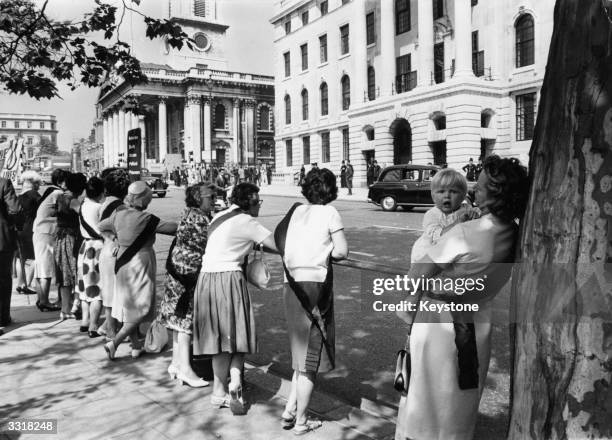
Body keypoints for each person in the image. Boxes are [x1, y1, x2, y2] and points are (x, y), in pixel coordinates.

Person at [395, 155, 529, 440]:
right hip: (478, 321)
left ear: (494, 194)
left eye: (479, 186)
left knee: (427, 404)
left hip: (439, 323)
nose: (473, 190)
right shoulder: (514, 232)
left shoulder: (468, 232)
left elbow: (416, 274)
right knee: (459, 406)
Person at [274, 168, 349, 435]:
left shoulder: (295, 211)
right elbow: (342, 250)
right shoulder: (330, 213)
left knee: (301, 353)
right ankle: (301, 421)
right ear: (331, 190)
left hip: (290, 282)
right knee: (310, 361)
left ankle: (290, 409)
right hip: (315, 286)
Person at [193, 183, 277, 414]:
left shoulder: (220, 215)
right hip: (228, 278)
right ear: (250, 202)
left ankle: (218, 392)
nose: (259, 205)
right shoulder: (247, 221)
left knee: (219, 339)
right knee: (238, 333)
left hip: (206, 279)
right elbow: (277, 245)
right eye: (257, 201)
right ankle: (236, 380)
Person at [99, 181, 177, 360]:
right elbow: (172, 228)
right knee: (141, 307)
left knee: (129, 306)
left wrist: (115, 239)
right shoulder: (146, 219)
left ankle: (136, 346)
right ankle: (115, 343)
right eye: (148, 199)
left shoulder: (118, 214)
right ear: (142, 199)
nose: (149, 203)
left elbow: (102, 226)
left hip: (122, 262)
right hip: (141, 262)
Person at [159, 183, 216, 387]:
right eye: (210, 197)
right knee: (186, 322)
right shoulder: (200, 219)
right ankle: (185, 369)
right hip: (189, 275)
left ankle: (176, 363)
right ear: (198, 198)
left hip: (178, 271)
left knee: (177, 318)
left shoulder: (189, 213)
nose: (214, 199)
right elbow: (212, 243)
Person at [410, 169, 478, 262]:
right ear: (433, 196)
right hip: (430, 255)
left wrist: (475, 213)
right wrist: (458, 223)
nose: (447, 195)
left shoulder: (466, 209)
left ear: (463, 196)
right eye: (441, 191)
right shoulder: (432, 215)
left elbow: (478, 222)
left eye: (453, 192)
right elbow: (437, 237)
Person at [98, 168, 130, 341]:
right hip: (113, 252)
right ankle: (111, 331)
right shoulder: (119, 206)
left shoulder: (106, 202)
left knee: (109, 291)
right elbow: (105, 225)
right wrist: (115, 238)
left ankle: (108, 327)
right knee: (113, 293)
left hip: (106, 250)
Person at [33, 168, 69, 311]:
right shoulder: (58, 193)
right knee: (45, 268)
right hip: (46, 233)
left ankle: (41, 299)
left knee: (40, 267)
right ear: (61, 181)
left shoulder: (49, 191)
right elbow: (64, 211)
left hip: (39, 232)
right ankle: (44, 302)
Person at [54, 173, 87, 320]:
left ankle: (65, 308)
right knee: (72, 274)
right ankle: (73, 306)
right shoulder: (72, 200)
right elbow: (84, 214)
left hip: (60, 238)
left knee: (64, 275)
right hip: (71, 238)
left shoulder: (61, 196)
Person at [77, 176, 105, 337]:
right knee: (97, 288)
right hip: (97, 248)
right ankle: (94, 326)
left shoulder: (83, 205)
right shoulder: (98, 208)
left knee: (83, 286)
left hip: (84, 247)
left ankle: (85, 321)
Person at [15, 171, 41, 295]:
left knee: (21, 259)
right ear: (33, 183)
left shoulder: (18, 196)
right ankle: (27, 285)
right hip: (30, 229)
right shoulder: (34, 195)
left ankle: (20, 283)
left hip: (19, 229)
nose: (39, 186)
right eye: (38, 183)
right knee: (32, 258)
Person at [0, 177, 21, 328]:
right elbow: (15, 209)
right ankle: (3, 317)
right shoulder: (3, 183)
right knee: (3, 279)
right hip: (2, 238)